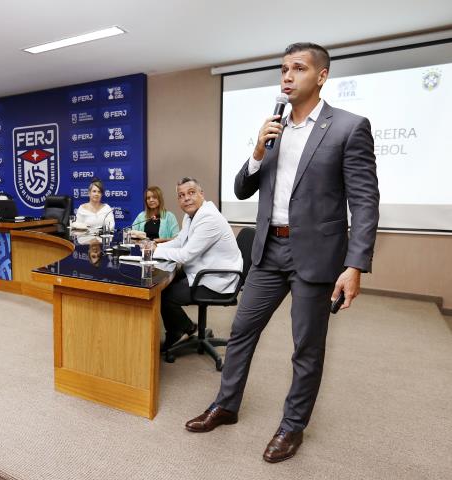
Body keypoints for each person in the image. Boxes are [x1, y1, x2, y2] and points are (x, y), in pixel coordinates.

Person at [184, 43, 379, 464]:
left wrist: (355, 265)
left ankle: (292, 427)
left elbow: (364, 202)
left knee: (306, 348)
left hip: (317, 255)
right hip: (269, 249)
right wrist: (257, 150)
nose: (287, 76)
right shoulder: (272, 130)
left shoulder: (348, 127)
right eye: (283, 69)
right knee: (241, 332)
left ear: (321, 76)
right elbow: (241, 188)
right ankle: (226, 405)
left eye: (299, 69)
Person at [152, 177, 242, 351]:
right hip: (203, 270)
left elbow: (185, 255)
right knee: (164, 285)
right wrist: (156, 246)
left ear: (202, 194)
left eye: (191, 193)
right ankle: (186, 326)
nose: (186, 198)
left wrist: (155, 251)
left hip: (216, 279)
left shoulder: (208, 218)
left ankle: (180, 329)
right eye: (181, 195)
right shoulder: (191, 216)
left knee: (165, 294)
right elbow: (180, 241)